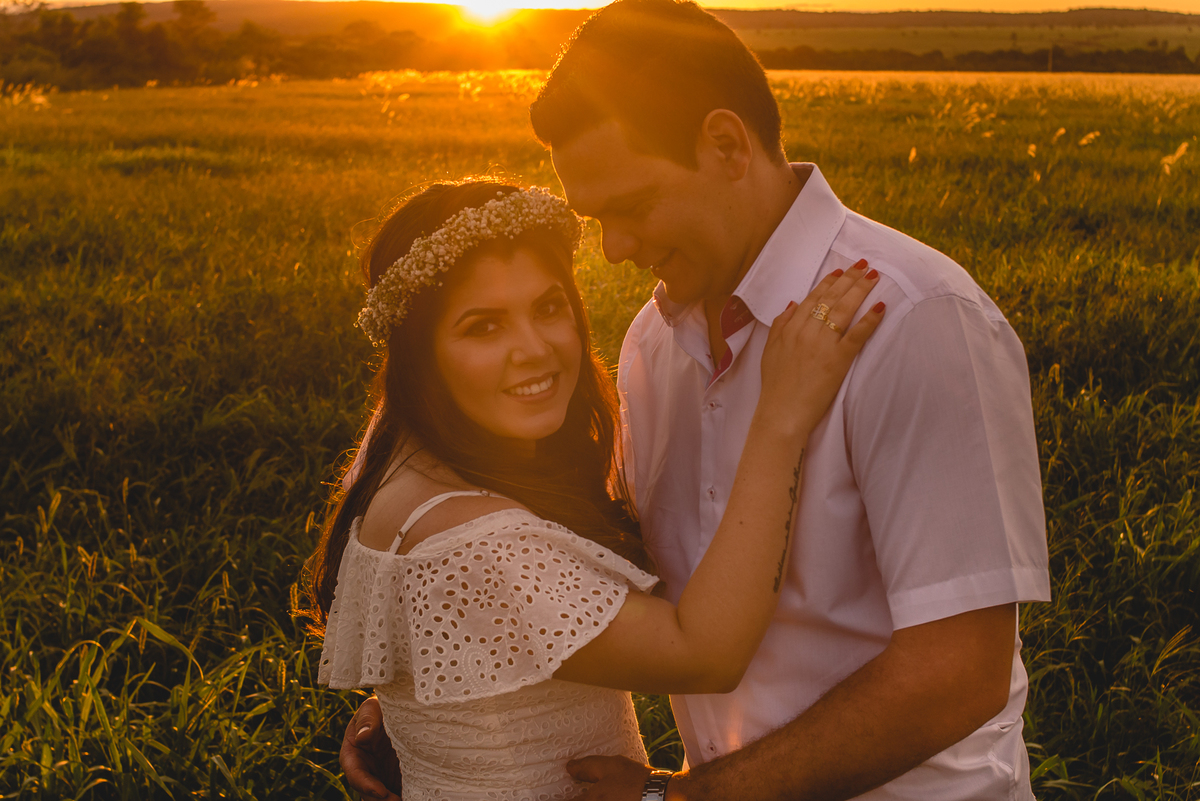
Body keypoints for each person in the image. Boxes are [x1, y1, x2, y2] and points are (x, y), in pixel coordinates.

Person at [342, 1, 1051, 799]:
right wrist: (454, 688)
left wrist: (683, 797)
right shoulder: (654, 341)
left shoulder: (915, 321)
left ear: (725, 145)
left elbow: (960, 673)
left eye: (633, 207)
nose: (612, 249)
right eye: (596, 218)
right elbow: (598, 565)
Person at [305, 178, 885, 800]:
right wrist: (781, 418)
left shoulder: (399, 462)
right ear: (420, 352)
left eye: (549, 307)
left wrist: (413, 712)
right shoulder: (478, 544)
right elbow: (705, 655)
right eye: (483, 326)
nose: (534, 349)